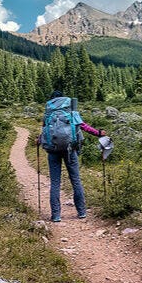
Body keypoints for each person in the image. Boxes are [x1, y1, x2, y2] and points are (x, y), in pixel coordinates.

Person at [38, 90, 106, 222]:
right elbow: (83, 126)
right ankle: (81, 212)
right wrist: (98, 133)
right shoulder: (71, 111)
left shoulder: (48, 113)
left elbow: (45, 131)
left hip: (53, 151)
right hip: (70, 150)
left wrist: (39, 140)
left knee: (55, 183)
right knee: (76, 180)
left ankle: (56, 215)